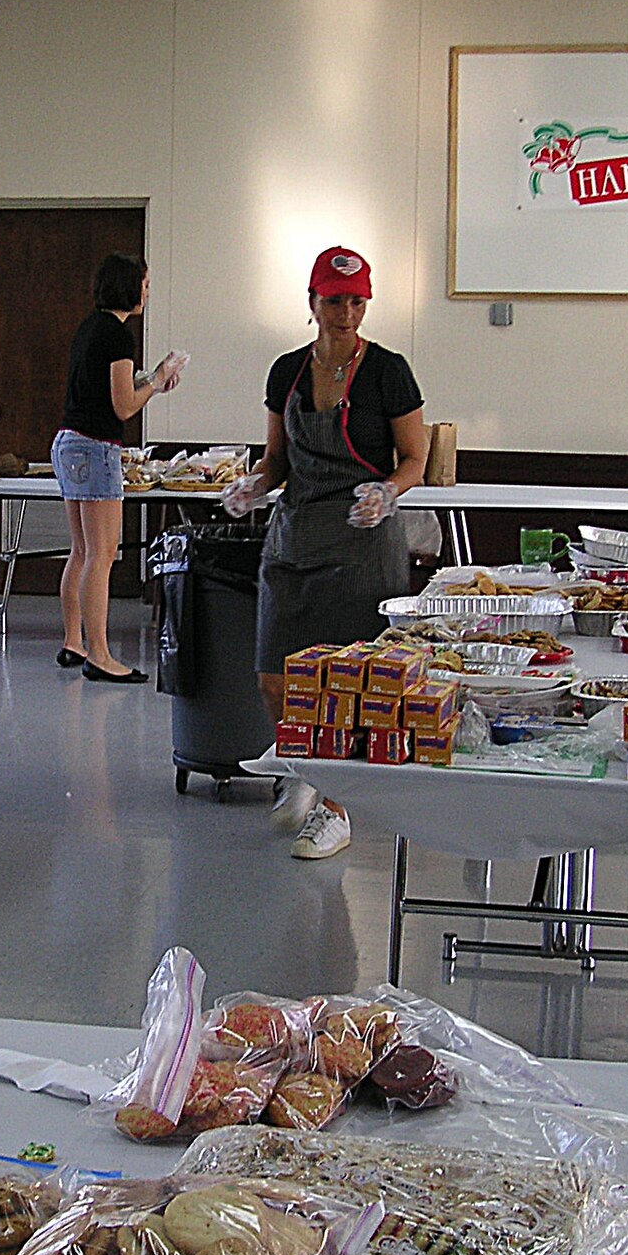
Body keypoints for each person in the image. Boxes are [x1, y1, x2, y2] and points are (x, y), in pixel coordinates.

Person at [222, 247, 428, 859]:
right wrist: (253, 486)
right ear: (312, 302)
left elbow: (414, 459)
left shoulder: (388, 371)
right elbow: (276, 460)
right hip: (296, 533)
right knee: (274, 677)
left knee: (347, 681)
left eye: (358, 301)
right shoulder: (286, 371)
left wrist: (386, 493)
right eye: (335, 301)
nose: (347, 312)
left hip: (364, 539)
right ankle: (304, 770)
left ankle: (337, 810)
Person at [53, 253, 187, 683]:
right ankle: (100, 655)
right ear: (129, 287)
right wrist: (156, 382)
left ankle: (74, 641)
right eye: (145, 285)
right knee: (103, 554)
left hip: (69, 442)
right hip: (95, 447)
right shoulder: (117, 334)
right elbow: (124, 406)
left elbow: (105, 388)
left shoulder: (91, 327)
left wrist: (151, 380)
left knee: (81, 550)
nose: (147, 293)